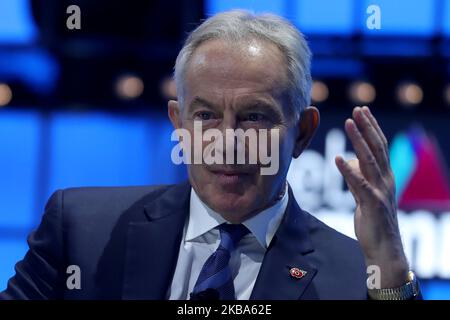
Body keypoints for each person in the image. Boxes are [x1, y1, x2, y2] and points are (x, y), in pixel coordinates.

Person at [0, 10, 420, 300]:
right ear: (178, 123)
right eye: (205, 116)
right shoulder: (82, 232)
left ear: (303, 132)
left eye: (254, 116)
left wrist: (391, 268)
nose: (228, 139)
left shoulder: (357, 275)